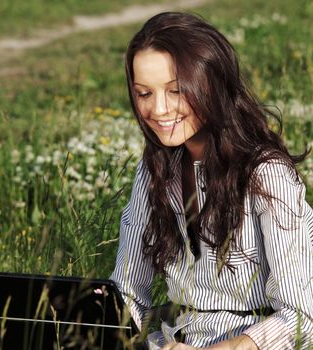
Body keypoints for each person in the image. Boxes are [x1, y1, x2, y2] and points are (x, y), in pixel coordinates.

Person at [110, 12, 313, 350]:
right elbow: (127, 295)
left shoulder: (265, 174)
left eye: (175, 91)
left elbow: (303, 316)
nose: (158, 110)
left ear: (211, 84)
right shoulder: (153, 173)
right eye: (144, 94)